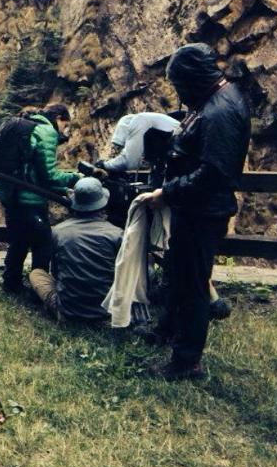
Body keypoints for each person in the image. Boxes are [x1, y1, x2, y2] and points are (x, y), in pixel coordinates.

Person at [138, 43, 250, 380]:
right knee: (177, 270)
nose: (179, 92)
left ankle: (186, 361)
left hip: (203, 212)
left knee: (193, 285)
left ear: (192, 78)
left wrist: (167, 193)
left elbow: (214, 173)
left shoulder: (220, 113)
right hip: (193, 208)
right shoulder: (212, 101)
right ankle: (167, 330)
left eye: (179, 84)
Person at [99, 110, 231, 320]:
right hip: (182, 187)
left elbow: (130, 160)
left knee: (180, 247)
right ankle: (207, 301)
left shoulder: (139, 122)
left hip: (176, 191)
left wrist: (104, 165)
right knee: (180, 248)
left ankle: (211, 304)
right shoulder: (158, 123)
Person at [0, 103, 80, 293]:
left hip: (10, 195)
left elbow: (34, 172)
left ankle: (11, 284)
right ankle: (40, 290)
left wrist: (62, 188)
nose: (64, 131)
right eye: (65, 125)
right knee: (43, 244)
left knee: (18, 242)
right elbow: (49, 176)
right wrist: (75, 178)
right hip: (30, 200)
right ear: (58, 118)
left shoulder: (28, 126)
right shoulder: (47, 132)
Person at [28, 177, 123, 321]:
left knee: (36, 273)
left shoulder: (58, 231)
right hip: (107, 312)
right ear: (102, 204)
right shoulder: (117, 234)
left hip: (67, 311)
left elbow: (56, 271)